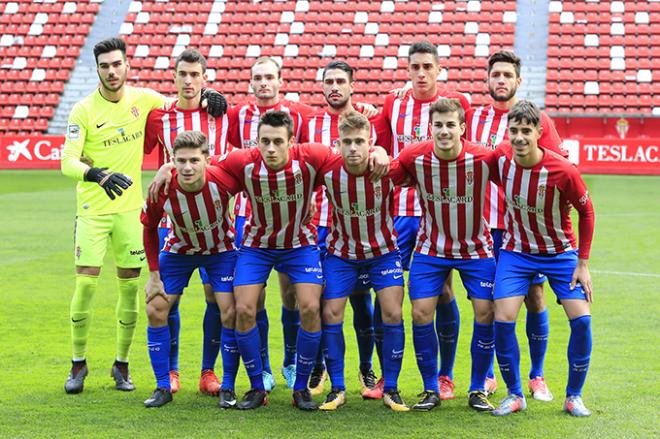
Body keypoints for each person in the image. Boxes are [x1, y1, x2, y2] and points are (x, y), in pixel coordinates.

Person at [60, 36, 226, 395]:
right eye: (105, 66)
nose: (112, 71)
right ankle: (78, 362)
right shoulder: (83, 110)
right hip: (92, 208)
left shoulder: (146, 100)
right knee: (88, 285)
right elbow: (67, 160)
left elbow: (185, 100)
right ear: (98, 69)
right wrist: (97, 174)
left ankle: (121, 364)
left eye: (117, 64)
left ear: (127, 66)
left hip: (133, 212)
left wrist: (211, 94)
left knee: (132, 288)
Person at [209, 111, 389, 410]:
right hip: (258, 245)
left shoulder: (311, 156)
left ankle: (301, 387)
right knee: (243, 309)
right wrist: (166, 168)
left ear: (291, 141)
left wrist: (380, 150)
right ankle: (256, 387)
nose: (270, 148)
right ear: (257, 141)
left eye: (278, 142)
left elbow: (353, 155)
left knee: (309, 307)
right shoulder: (244, 161)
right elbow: (204, 164)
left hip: (299, 244)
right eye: (264, 141)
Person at [465, 50, 567, 399]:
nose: (501, 81)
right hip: (480, 229)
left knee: (535, 298)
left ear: (518, 81)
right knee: (490, 303)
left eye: (508, 75)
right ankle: (491, 373)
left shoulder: (538, 120)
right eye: (496, 75)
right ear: (488, 80)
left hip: (522, 230)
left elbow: (557, 170)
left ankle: (537, 375)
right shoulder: (472, 117)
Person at [390, 99, 497, 412]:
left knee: (486, 312)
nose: (445, 130)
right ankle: (430, 388)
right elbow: (387, 174)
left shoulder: (484, 158)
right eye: (439, 125)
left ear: (462, 128)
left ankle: (478, 388)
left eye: (451, 124)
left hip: (476, 248)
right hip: (431, 247)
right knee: (421, 312)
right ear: (429, 128)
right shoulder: (415, 156)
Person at [489, 100, 594, 417]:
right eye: (514, 131)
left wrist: (583, 263)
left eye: (526, 131)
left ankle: (573, 396)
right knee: (503, 319)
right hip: (517, 253)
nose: (519, 137)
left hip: (561, 254)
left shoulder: (563, 171)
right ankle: (514, 394)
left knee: (582, 320)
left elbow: (586, 212)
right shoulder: (501, 159)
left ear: (538, 132)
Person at [379, 40, 470, 400]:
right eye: (414, 67)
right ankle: (385, 378)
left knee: (444, 291)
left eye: (427, 67)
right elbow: (383, 150)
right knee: (386, 291)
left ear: (438, 69)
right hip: (398, 213)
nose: (421, 74)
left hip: (438, 214)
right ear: (408, 69)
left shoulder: (454, 105)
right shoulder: (393, 102)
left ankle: (444, 376)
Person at [144, 48, 233, 396]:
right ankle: (171, 372)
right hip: (173, 218)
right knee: (169, 299)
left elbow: (237, 156)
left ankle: (208, 372)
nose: (189, 80)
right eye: (183, 74)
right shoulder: (158, 118)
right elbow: (139, 151)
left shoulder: (222, 113)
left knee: (216, 297)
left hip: (217, 218)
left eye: (196, 74)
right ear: (175, 76)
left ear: (205, 78)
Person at [228, 56, 315, 390]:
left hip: (294, 224)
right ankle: (261, 369)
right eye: (257, 77)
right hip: (252, 221)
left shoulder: (303, 114)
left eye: (269, 77)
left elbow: (321, 156)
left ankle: (291, 363)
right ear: (250, 82)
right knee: (252, 301)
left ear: (281, 81)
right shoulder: (236, 114)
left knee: (292, 296)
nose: (263, 83)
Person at [314, 112, 408, 412]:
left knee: (392, 314)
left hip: (383, 254)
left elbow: (419, 164)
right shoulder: (327, 169)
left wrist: (383, 153)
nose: (353, 148)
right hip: (342, 255)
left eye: (360, 142)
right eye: (347, 142)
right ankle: (337, 388)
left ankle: (391, 388)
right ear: (337, 144)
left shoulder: (388, 169)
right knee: (331, 314)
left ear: (370, 142)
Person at [140, 131, 239, 408]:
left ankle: (227, 385)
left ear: (207, 159)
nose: (187, 167)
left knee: (229, 310)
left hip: (220, 250)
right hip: (179, 251)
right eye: (180, 161)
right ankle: (163, 386)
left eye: (194, 160)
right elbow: (149, 229)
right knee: (155, 308)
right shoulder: (162, 189)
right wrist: (153, 275)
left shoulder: (223, 178)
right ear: (173, 160)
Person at [301, 60, 381, 397]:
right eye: (328, 81)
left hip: (355, 229)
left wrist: (378, 149)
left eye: (340, 81)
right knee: (318, 301)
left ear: (352, 86)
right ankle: (319, 368)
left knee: (361, 300)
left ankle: (365, 368)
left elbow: (382, 154)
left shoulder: (370, 121)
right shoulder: (310, 124)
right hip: (316, 227)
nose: (334, 87)